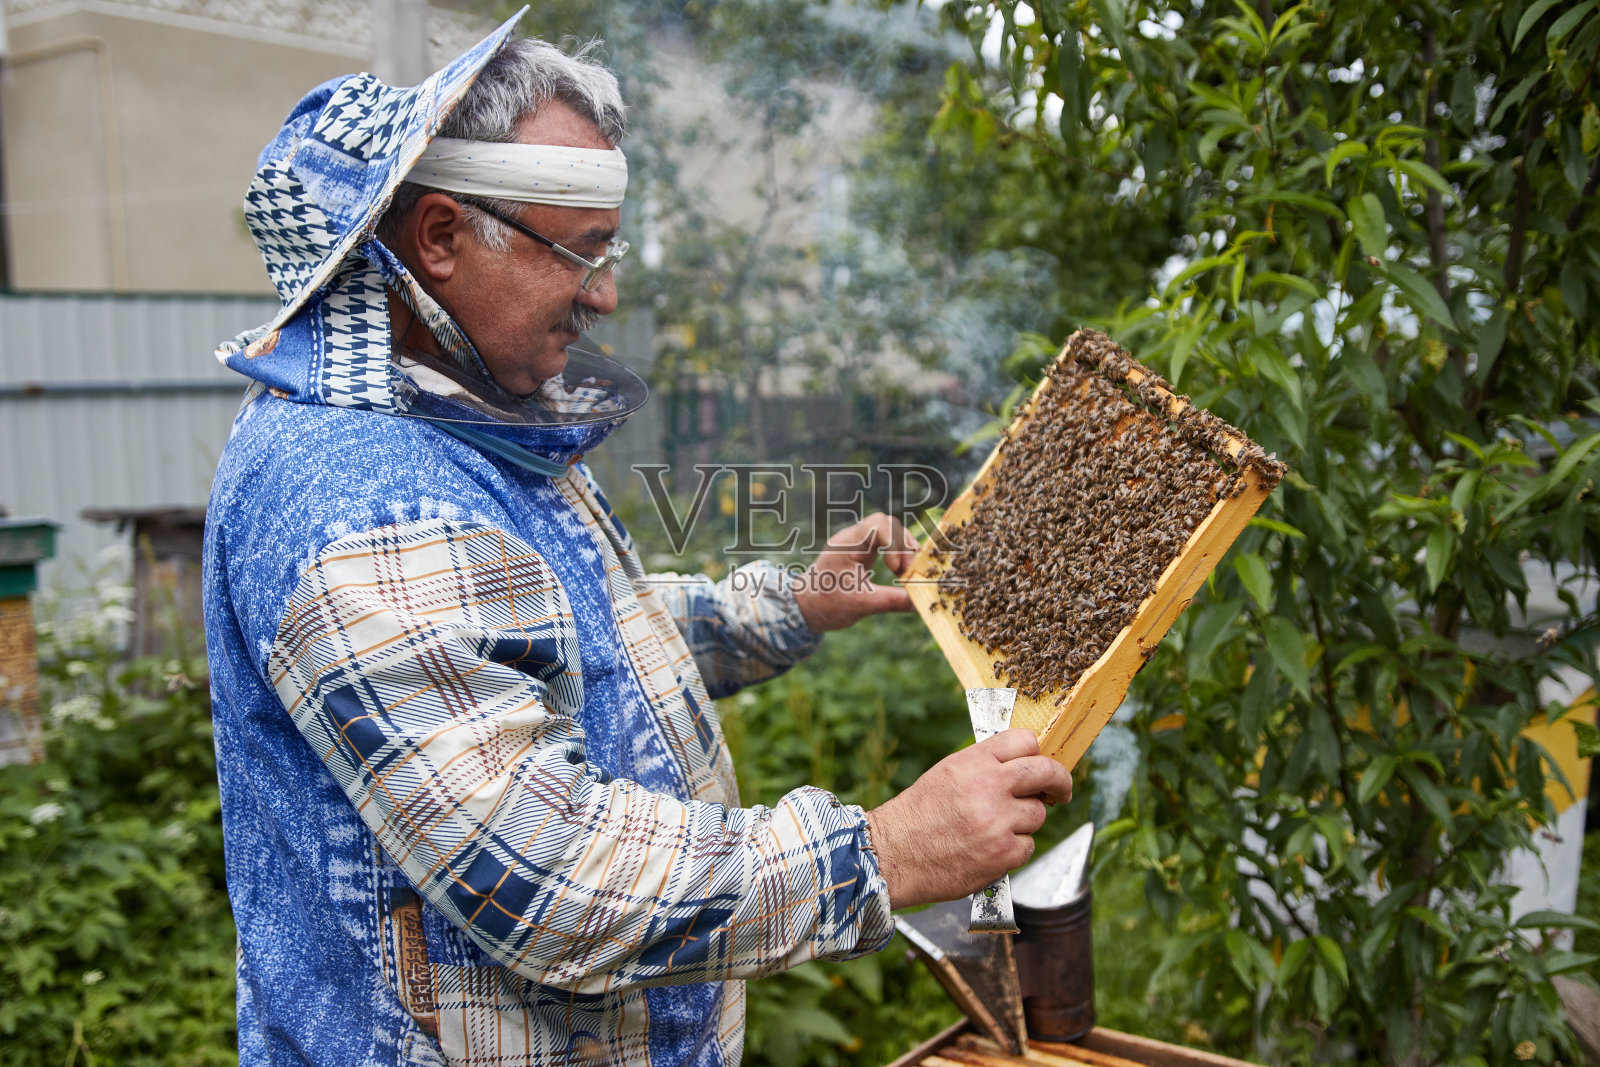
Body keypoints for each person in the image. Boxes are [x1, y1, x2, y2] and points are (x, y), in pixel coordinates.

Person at [202, 12, 1071, 1066]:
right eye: (581, 252)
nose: (606, 294)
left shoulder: (450, 416)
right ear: (439, 236)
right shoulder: (357, 499)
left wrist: (785, 604)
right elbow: (549, 874)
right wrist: (883, 849)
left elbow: (560, 637)